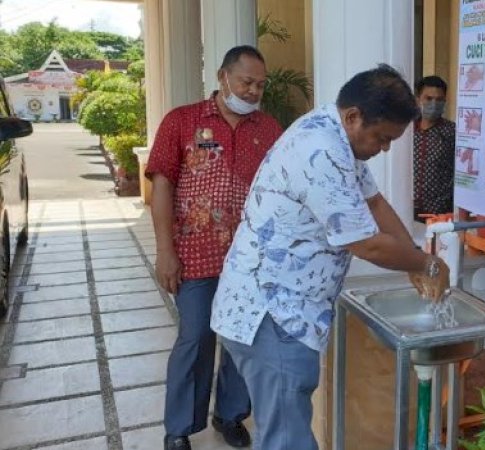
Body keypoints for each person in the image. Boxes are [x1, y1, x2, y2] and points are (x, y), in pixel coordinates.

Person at [210, 64, 451, 450]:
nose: (385, 148)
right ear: (354, 116)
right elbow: (367, 243)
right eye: (382, 137)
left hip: (283, 308)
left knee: (284, 434)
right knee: (287, 441)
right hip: (272, 313)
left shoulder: (337, 133)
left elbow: (374, 203)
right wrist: (428, 264)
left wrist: (414, 256)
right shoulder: (321, 151)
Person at [145, 45, 283, 450]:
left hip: (251, 258)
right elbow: (162, 184)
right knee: (195, 339)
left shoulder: (269, 128)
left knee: (244, 337)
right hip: (195, 254)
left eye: (260, 84)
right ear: (223, 77)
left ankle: (230, 414)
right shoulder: (182, 121)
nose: (254, 90)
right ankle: (180, 426)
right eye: (247, 82)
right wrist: (165, 250)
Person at [413, 75, 456, 221]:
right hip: (405, 210)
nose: (434, 103)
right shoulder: (406, 130)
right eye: (428, 98)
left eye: (439, 100)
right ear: (418, 99)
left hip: (439, 215)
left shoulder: (452, 132)